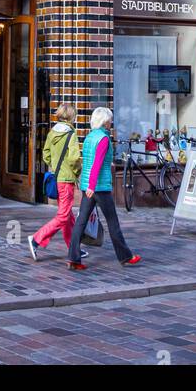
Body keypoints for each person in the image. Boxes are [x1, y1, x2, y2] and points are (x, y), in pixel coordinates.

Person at [67, 106, 142, 271]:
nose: (111, 123)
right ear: (105, 121)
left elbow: (89, 161)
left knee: (81, 221)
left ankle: (73, 258)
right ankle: (126, 257)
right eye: (109, 120)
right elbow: (96, 164)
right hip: (98, 187)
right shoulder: (103, 139)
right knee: (113, 222)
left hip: (88, 186)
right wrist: (93, 186)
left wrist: (87, 185)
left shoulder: (88, 138)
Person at [27, 104, 86, 262]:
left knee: (68, 216)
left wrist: (54, 165)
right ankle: (36, 239)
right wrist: (77, 171)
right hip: (66, 180)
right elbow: (74, 158)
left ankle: (73, 248)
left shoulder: (52, 132)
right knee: (63, 216)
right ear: (71, 116)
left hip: (58, 176)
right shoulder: (71, 133)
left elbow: (45, 153)